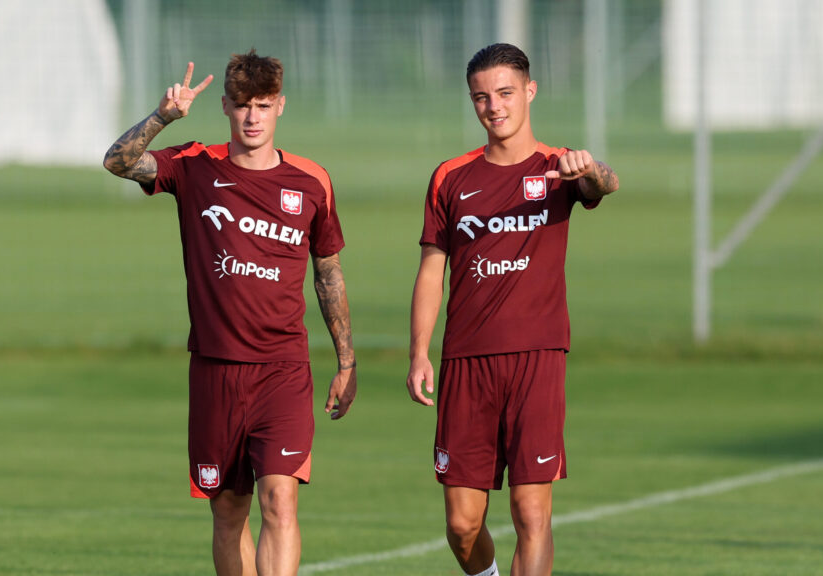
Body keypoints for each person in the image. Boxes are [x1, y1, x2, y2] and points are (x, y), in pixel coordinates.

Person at [103, 50, 356, 576]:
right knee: (228, 513)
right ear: (225, 106)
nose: (252, 117)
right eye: (242, 105)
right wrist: (161, 117)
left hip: (284, 370)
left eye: (264, 105)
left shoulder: (312, 181)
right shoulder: (195, 164)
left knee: (279, 503)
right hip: (216, 370)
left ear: (280, 106)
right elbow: (118, 162)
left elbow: (328, 272)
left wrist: (347, 362)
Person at [405, 43, 619, 576]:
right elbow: (433, 267)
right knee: (461, 525)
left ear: (530, 91)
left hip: (537, 357)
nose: (493, 106)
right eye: (481, 97)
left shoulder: (558, 167)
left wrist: (589, 167)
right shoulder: (450, 177)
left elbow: (605, 184)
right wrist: (419, 352)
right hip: (466, 360)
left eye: (504, 93)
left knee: (531, 512)